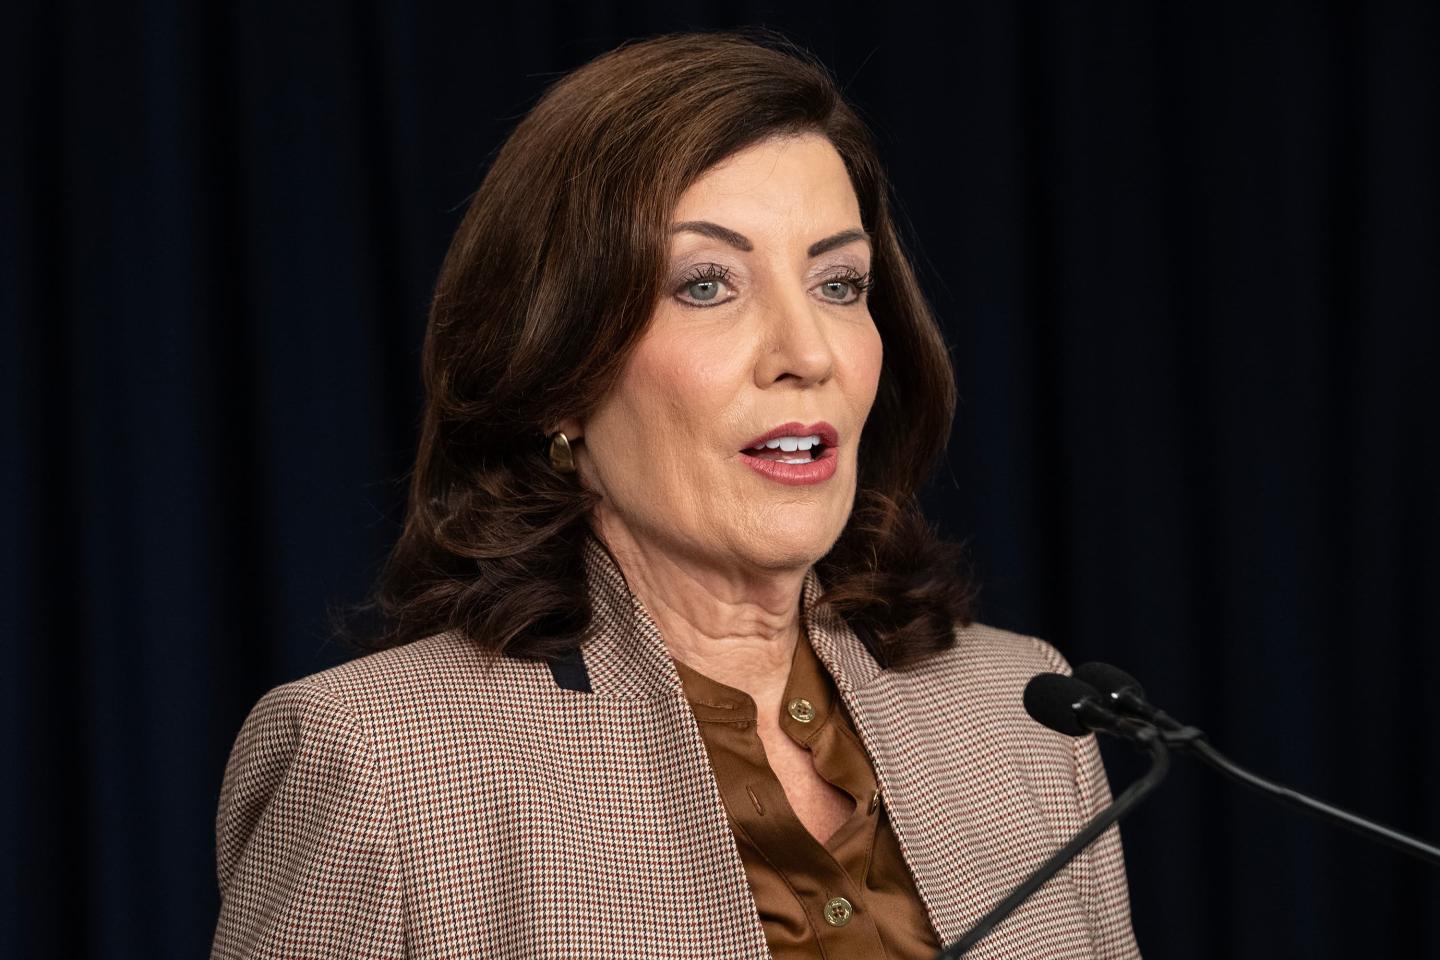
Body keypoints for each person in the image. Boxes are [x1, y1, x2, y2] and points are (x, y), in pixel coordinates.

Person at [209, 28, 1140, 960]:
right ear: (560, 372)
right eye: (705, 285)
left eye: (839, 282)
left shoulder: (1023, 717)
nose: (806, 353)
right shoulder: (379, 768)